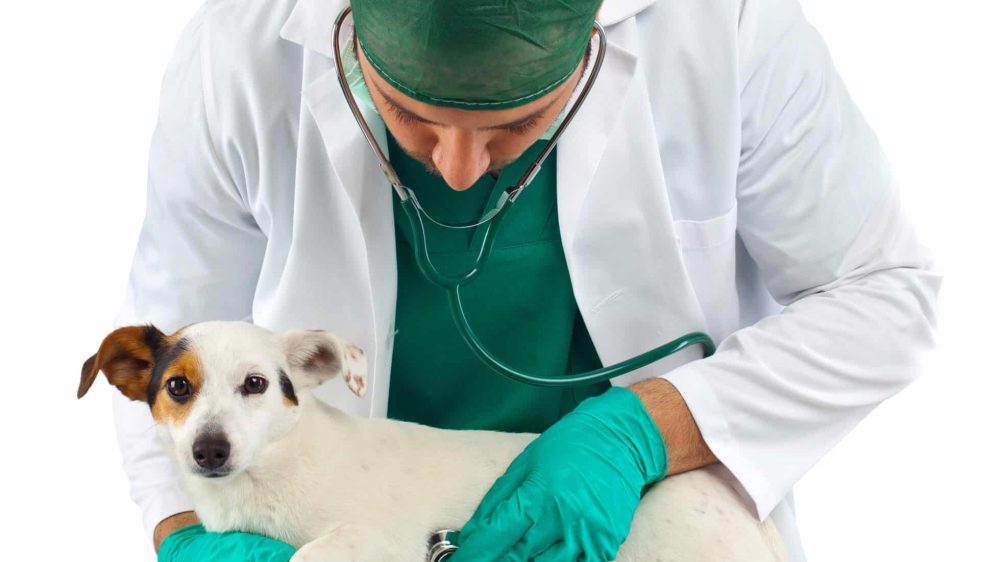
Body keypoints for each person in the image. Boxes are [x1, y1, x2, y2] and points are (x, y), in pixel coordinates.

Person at [110, 0, 941, 560]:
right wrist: (189, 534)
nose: (461, 171)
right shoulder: (239, 50)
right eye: (412, 118)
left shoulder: (723, 27)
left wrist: (648, 430)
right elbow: (172, 345)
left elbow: (885, 290)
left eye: (513, 125)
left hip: (640, 524)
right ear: (352, 40)